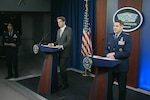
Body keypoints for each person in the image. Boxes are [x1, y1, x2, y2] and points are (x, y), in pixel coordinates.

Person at [104, 20, 132, 100]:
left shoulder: (127, 37)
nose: (114, 28)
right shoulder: (110, 36)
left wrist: (114, 55)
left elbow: (127, 53)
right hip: (110, 67)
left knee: (122, 89)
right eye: (114, 26)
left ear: (122, 27)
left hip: (121, 67)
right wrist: (107, 55)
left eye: (117, 26)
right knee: (108, 87)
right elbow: (106, 49)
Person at [49, 16, 72, 89]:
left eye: (59, 22)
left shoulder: (68, 30)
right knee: (60, 69)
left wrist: (61, 46)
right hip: (58, 52)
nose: (58, 23)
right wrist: (53, 44)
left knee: (62, 68)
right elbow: (57, 41)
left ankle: (65, 84)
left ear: (64, 22)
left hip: (65, 52)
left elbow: (69, 42)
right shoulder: (58, 31)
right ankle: (62, 83)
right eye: (57, 22)